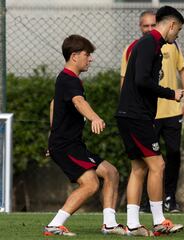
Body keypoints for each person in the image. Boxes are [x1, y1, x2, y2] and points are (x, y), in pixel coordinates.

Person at [44, 35, 125, 236]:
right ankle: (55, 225)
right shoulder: (69, 80)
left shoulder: (65, 79)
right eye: (87, 54)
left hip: (70, 145)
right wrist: (94, 117)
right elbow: (79, 102)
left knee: (111, 172)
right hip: (66, 146)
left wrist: (51, 136)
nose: (90, 59)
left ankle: (109, 224)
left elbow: (54, 104)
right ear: (74, 56)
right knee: (91, 183)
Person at [116, 6, 184, 236]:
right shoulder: (149, 44)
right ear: (172, 25)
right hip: (137, 116)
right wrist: (171, 93)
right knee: (159, 165)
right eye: (179, 30)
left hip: (129, 114)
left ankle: (134, 224)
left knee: (138, 168)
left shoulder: (149, 44)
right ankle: (158, 221)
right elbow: (142, 80)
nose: (177, 36)